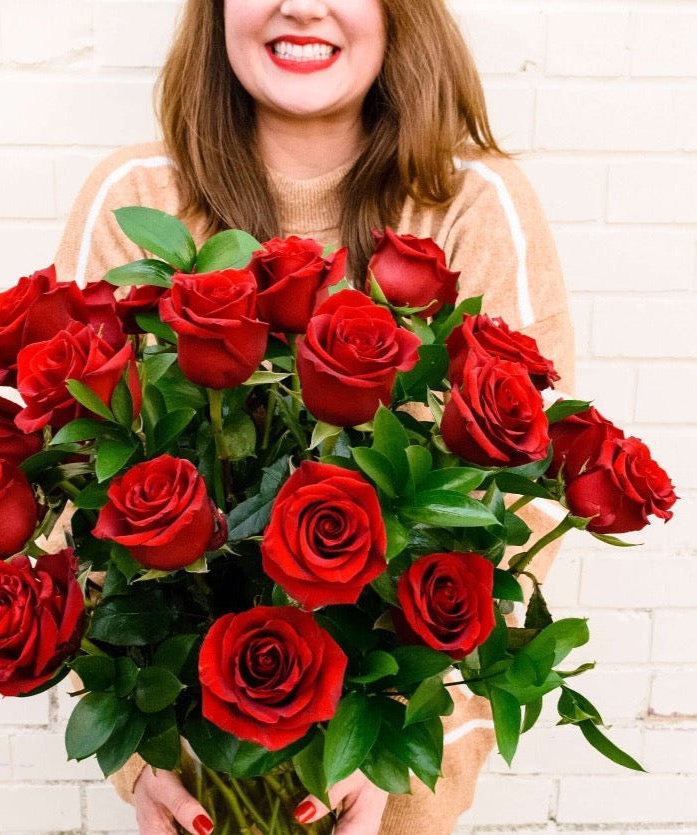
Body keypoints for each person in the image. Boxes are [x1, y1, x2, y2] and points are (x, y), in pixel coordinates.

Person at [54, 1, 575, 833]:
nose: (300, 5)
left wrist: (383, 751)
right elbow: (74, 492)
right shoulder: (140, 196)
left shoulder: (472, 203)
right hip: (195, 787)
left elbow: (517, 502)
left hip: (394, 767)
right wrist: (139, 762)